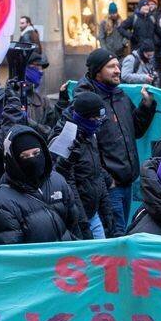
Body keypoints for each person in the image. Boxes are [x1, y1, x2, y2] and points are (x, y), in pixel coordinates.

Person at [78, 48, 157, 234]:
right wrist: (107, 178)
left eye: (118, 66)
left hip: (127, 182)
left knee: (123, 231)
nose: (117, 70)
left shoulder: (120, 95)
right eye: (111, 66)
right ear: (97, 72)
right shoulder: (88, 102)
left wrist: (146, 106)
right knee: (117, 234)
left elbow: (136, 131)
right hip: (109, 186)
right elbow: (85, 145)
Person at [0, 125, 89, 244]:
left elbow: (74, 227)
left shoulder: (58, 181)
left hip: (67, 260)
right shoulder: (0, 203)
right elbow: (12, 254)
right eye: (24, 156)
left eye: (36, 153)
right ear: (12, 161)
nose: (32, 160)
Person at [49, 90, 116, 238]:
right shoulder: (65, 140)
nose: (99, 122)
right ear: (85, 118)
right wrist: (83, 223)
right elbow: (68, 183)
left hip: (93, 214)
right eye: (96, 118)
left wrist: (107, 212)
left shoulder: (90, 134)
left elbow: (96, 174)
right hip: (77, 219)